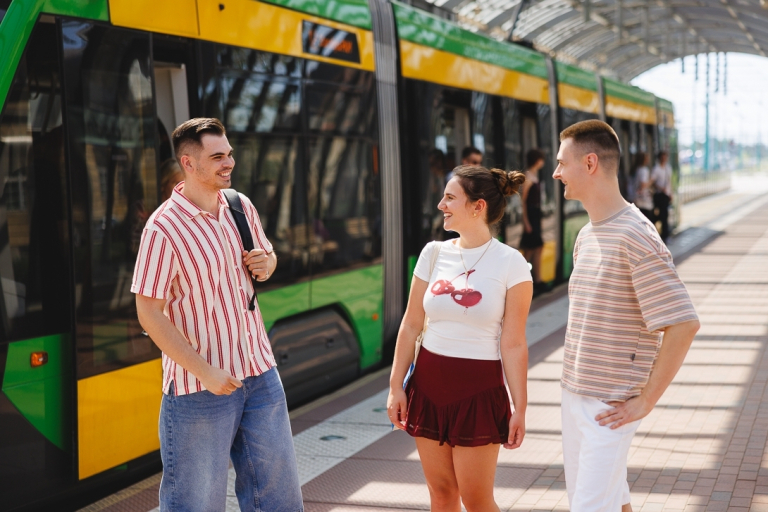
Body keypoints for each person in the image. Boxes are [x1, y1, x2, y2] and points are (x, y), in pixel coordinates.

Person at [131, 118, 303, 512]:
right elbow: (148, 313)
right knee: (196, 504)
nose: (229, 163)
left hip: (260, 373)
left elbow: (267, 257)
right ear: (188, 163)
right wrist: (205, 371)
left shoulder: (240, 206)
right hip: (199, 388)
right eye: (218, 157)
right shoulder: (162, 229)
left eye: (229, 154)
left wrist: (267, 262)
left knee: (280, 500)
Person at [552, 120, 700, 511]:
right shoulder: (587, 235)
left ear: (589, 163)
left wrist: (646, 400)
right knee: (613, 501)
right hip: (575, 393)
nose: (556, 173)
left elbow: (684, 323)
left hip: (609, 405)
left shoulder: (636, 236)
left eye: (562, 163)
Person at [387, 165, 532, 512]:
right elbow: (411, 324)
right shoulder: (433, 253)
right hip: (427, 388)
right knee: (441, 494)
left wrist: (520, 407)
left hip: (478, 393)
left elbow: (513, 342)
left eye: (450, 198)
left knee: (477, 500)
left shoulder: (512, 263)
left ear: (477, 206)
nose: (441, 205)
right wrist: (396, 387)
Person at [519, 149, 546, 292]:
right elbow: (523, 201)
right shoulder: (528, 177)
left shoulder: (533, 175)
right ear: (537, 160)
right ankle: (522, 280)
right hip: (530, 215)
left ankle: (537, 280)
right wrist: (526, 222)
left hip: (535, 214)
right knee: (529, 249)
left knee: (537, 247)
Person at [651, 150, 673, 242]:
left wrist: (670, 193)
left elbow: (669, 182)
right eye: (662, 157)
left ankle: (665, 235)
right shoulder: (656, 169)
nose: (664, 159)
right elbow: (653, 182)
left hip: (666, 195)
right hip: (659, 194)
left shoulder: (668, 168)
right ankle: (657, 233)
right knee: (659, 215)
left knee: (665, 215)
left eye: (665, 157)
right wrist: (661, 188)